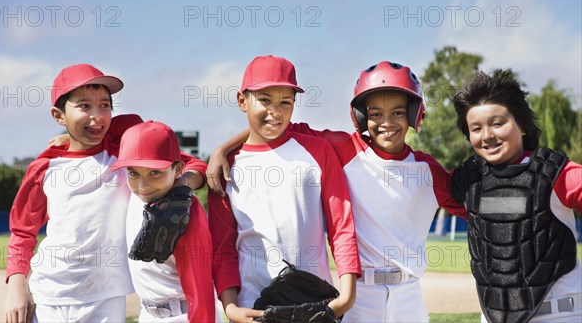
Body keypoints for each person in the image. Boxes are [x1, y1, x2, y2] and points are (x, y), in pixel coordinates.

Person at [209, 60, 467, 322]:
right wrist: (223, 149)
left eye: (398, 113)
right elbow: (276, 129)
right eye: (376, 113)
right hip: (359, 292)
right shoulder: (344, 148)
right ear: (362, 116)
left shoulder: (428, 170)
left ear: (415, 113)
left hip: (408, 294)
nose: (386, 122)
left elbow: (474, 207)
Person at [208, 55, 361, 322]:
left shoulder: (318, 150)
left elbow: (342, 226)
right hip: (252, 306)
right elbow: (223, 247)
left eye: (285, 102)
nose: (275, 112)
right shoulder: (223, 168)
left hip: (317, 304)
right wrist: (231, 307)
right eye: (264, 100)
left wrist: (345, 298)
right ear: (242, 101)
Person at [5, 64, 143, 323]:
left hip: (106, 298)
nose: (97, 115)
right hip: (49, 298)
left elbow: (137, 125)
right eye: (84, 106)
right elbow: (23, 231)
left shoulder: (123, 153)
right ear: (58, 115)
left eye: (105, 105)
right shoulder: (44, 166)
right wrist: (16, 286)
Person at [450, 70, 582, 323]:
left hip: (561, 314)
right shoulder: (467, 182)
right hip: (493, 316)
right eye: (476, 128)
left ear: (522, 125)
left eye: (498, 123)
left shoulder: (557, 174)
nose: (487, 135)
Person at [110, 120, 215, 323]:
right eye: (133, 173)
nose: (143, 185)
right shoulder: (138, 195)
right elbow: (108, 127)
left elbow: (201, 291)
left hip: (184, 315)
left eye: (155, 172)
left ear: (177, 170)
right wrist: (71, 138)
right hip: (147, 314)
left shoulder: (183, 213)